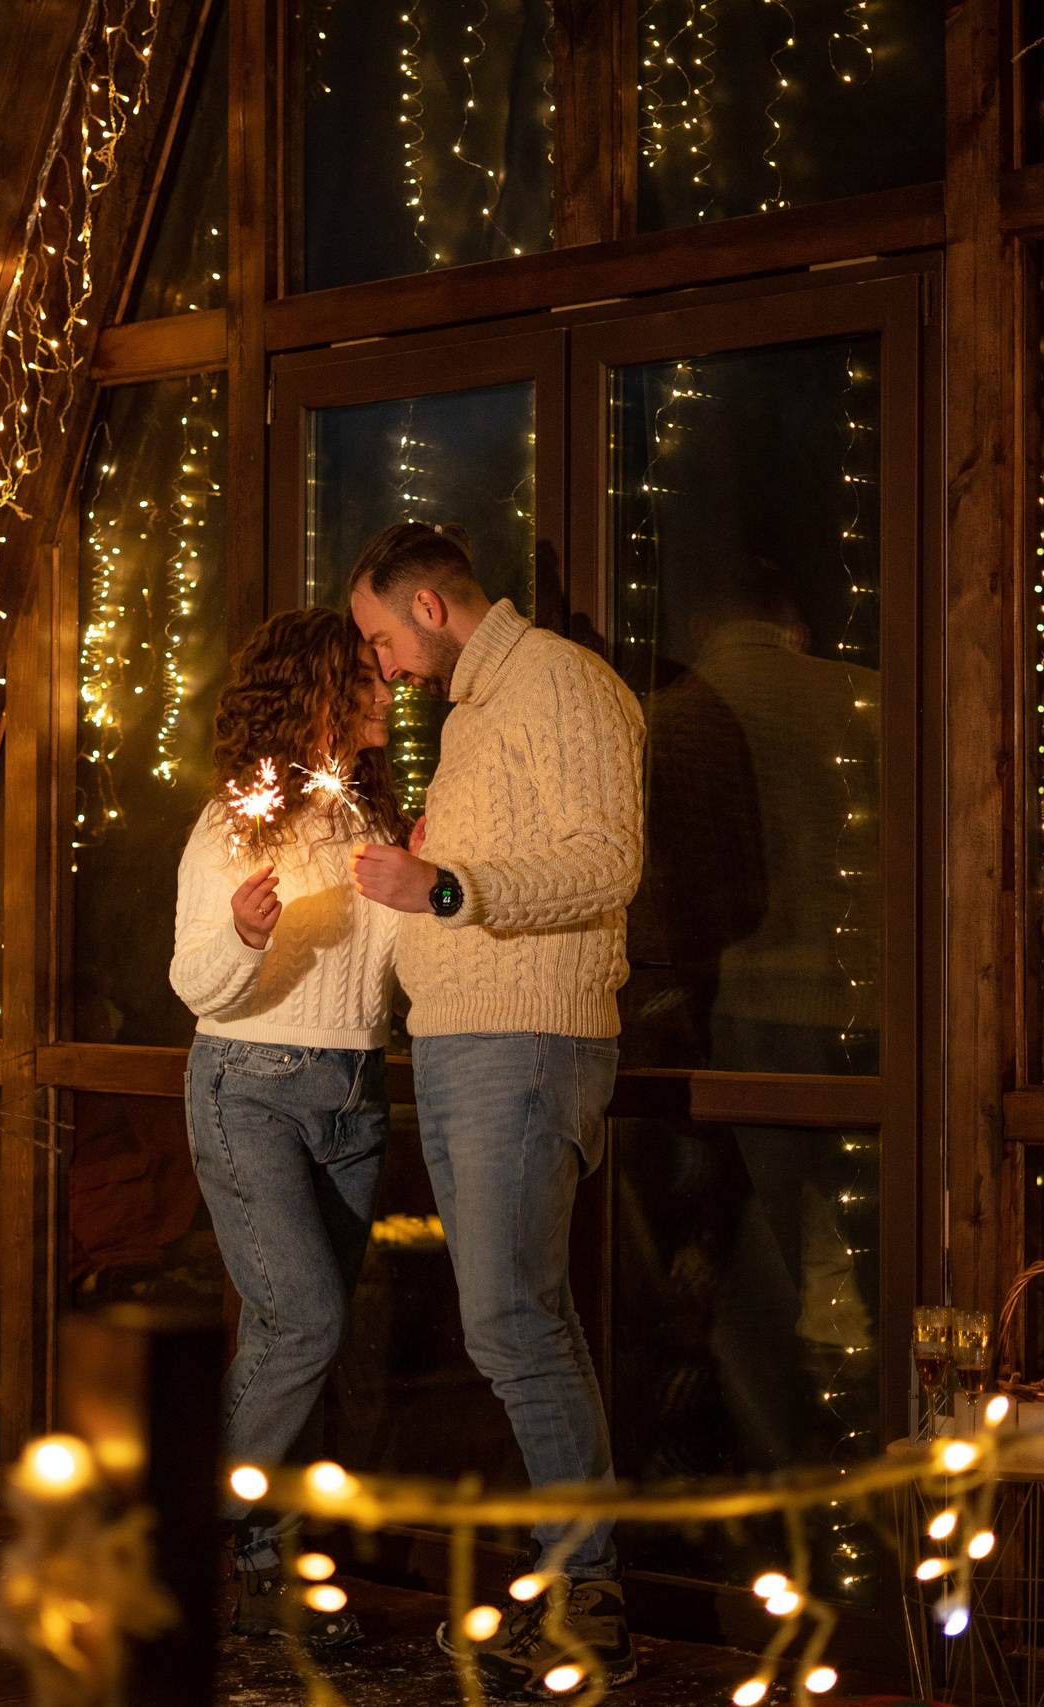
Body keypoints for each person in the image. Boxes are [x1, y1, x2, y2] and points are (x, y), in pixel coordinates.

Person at [345, 522, 646, 1695]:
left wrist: (451, 883)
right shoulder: (474, 713)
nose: (380, 668)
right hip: (474, 1043)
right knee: (515, 1325)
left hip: (527, 1044)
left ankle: (590, 1601)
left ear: (426, 607)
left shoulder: (559, 684)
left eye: (378, 638)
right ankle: (575, 1589)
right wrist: (429, 874)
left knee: (514, 1325)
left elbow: (606, 862)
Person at [167, 607, 403, 1649]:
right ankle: (173, 1526)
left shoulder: (373, 817)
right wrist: (242, 932)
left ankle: (272, 1579)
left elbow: (396, 968)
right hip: (250, 1084)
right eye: (368, 678)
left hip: (356, 1093)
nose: (390, 692)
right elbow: (192, 984)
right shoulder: (238, 817)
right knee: (305, 1320)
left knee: (290, 1341)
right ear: (317, 691)